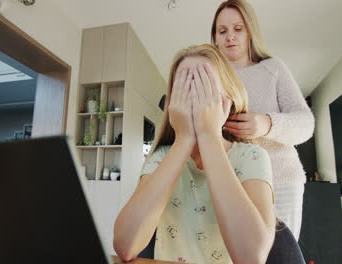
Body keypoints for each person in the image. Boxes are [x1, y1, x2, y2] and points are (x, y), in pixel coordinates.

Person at [114, 44, 276, 264]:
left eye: (204, 85)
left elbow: (252, 257)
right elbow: (125, 246)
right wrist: (183, 139)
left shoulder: (251, 157)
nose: (194, 95)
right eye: (184, 87)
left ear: (228, 100)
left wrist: (209, 135)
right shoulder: (162, 156)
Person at [211, 0, 315, 240]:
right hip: (229, 184)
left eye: (238, 28)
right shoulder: (210, 78)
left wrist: (267, 123)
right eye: (222, 31)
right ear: (215, 37)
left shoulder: (273, 69)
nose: (230, 37)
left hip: (280, 182)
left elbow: (305, 123)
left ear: (250, 31)